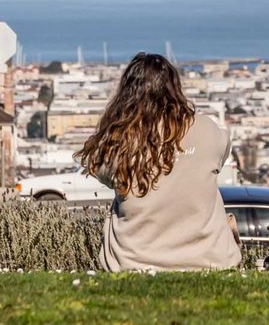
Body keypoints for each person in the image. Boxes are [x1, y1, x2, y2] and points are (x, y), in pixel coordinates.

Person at [75, 52, 242, 271]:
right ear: (175, 89)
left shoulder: (117, 143)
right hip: (211, 260)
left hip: (134, 261)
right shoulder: (209, 131)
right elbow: (221, 153)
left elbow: (100, 168)